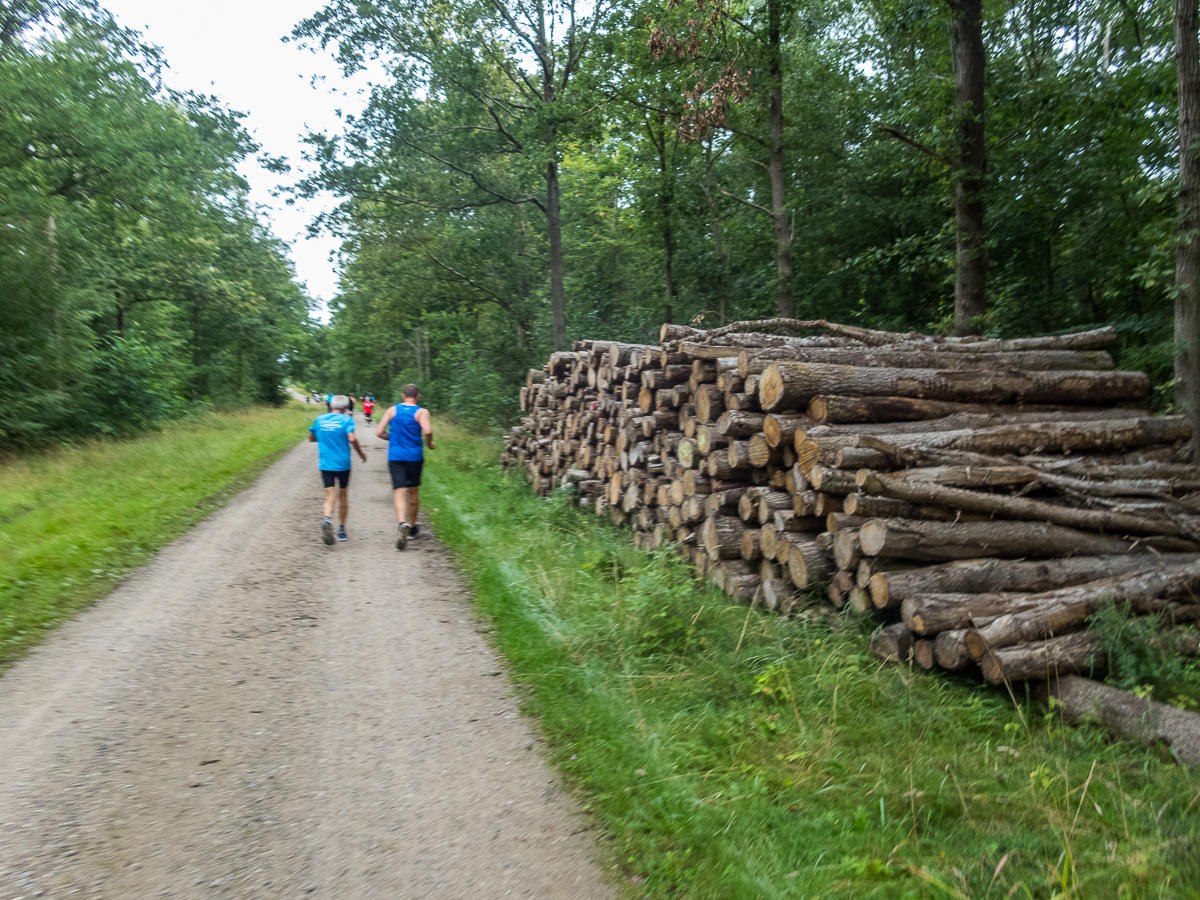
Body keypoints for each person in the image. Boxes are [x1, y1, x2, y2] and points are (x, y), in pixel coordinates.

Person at [375, 384, 434, 550]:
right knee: (413, 491)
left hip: (395, 456)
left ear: (403, 395)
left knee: (399, 491)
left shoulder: (392, 410)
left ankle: (402, 523)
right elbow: (428, 431)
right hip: (414, 456)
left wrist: (393, 438)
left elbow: (379, 432)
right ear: (418, 396)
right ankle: (412, 528)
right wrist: (429, 444)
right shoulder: (422, 412)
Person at [308, 395, 367, 545]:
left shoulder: (320, 419)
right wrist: (361, 453)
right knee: (343, 495)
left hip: (326, 463)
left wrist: (324, 436)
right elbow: (352, 438)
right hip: (343, 464)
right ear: (345, 408)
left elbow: (311, 438)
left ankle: (327, 519)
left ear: (330, 406)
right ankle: (341, 530)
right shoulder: (347, 420)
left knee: (329, 496)